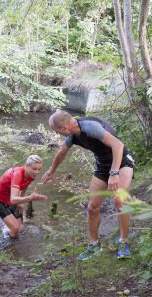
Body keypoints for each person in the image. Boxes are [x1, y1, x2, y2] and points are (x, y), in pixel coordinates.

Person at [41, 110, 134, 260]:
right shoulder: (72, 136)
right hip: (103, 166)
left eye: (57, 131)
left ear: (64, 127)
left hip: (122, 163)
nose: (58, 135)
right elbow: (62, 152)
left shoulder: (90, 127)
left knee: (119, 200)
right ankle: (94, 245)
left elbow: (118, 145)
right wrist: (51, 171)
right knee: (92, 207)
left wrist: (114, 173)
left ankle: (124, 242)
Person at [0, 155, 48, 238]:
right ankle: (9, 247)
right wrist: (30, 198)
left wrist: (21, 200)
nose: (37, 172)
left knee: (20, 228)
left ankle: (5, 227)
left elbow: (24, 186)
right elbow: (13, 200)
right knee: (15, 228)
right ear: (26, 166)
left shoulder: (31, 175)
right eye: (34, 169)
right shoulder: (18, 174)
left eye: (39, 169)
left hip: (9, 199)